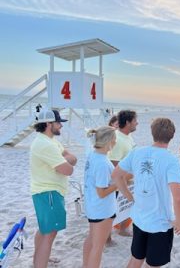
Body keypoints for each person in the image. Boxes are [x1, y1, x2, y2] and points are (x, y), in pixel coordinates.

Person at [112, 118, 180, 267]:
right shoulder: (171, 160)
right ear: (172, 136)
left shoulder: (137, 152)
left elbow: (116, 175)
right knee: (154, 264)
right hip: (160, 223)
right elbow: (178, 197)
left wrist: (128, 195)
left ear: (152, 133)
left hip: (139, 218)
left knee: (136, 258)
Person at [30, 109, 77, 268]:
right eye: (58, 123)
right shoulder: (45, 144)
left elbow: (72, 157)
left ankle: (40, 259)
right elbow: (68, 170)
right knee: (50, 233)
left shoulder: (50, 141)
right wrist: (66, 161)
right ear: (49, 124)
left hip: (47, 192)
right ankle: (40, 263)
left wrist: (65, 160)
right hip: (48, 192)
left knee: (44, 229)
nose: (61, 126)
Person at [83, 126, 118, 268]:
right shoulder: (102, 163)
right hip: (101, 209)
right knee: (98, 247)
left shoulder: (93, 155)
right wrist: (119, 183)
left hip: (92, 206)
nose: (115, 142)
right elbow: (102, 192)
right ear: (109, 141)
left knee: (91, 240)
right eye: (115, 139)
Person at [108, 110, 138, 236]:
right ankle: (107, 238)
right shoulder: (117, 138)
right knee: (111, 211)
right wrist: (129, 176)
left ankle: (123, 229)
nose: (137, 123)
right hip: (117, 183)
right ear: (127, 122)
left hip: (127, 181)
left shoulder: (127, 136)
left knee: (125, 208)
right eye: (135, 121)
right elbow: (113, 165)